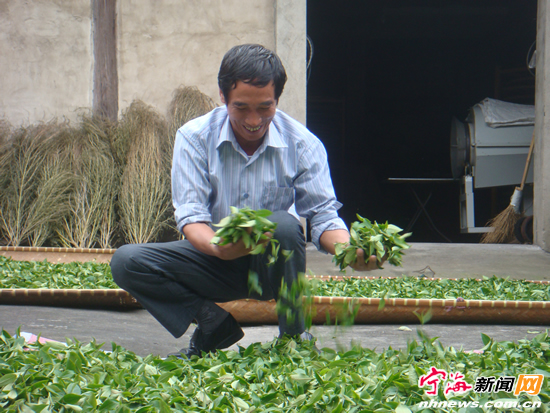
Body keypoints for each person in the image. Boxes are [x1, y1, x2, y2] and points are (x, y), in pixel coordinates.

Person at [110, 44, 384, 358]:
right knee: (126, 261)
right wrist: (218, 248)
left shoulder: (303, 143)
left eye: (265, 108)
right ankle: (212, 322)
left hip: (272, 266)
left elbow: (322, 215)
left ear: (277, 99)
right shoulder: (195, 137)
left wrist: (349, 251)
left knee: (282, 223)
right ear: (223, 97)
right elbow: (191, 217)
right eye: (241, 108)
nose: (253, 120)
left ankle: (294, 335)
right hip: (214, 258)